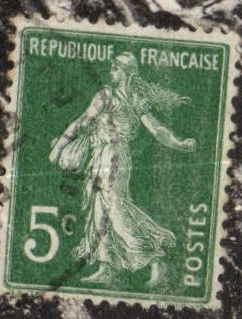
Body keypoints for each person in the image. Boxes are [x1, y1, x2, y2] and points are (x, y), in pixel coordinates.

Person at [50, 52, 195, 290]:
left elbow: (157, 130)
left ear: (127, 72)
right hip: (100, 155)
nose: (111, 72)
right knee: (100, 208)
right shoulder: (106, 94)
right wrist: (59, 146)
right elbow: (83, 120)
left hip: (116, 156)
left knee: (114, 206)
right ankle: (106, 266)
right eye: (111, 68)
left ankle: (152, 255)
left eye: (115, 68)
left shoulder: (134, 100)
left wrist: (179, 144)